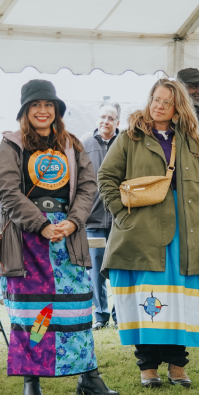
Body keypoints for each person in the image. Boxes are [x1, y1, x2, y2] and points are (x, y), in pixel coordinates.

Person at [0, 79, 119, 395]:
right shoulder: (12, 145)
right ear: (25, 110)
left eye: (48, 105)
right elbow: (5, 190)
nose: (42, 110)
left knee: (77, 307)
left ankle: (88, 377)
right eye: (35, 105)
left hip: (67, 238)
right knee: (32, 310)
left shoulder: (71, 144)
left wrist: (74, 221)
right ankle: (32, 380)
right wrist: (40, 224)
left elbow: (88, 187)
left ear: (56, 110)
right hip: (27, 240)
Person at [99, 79, 199, 388]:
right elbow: (106, 177)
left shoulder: (194, 141)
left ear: (177, 107)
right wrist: (121, 213)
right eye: (155, 99)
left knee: (178, 300)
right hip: (142, 231)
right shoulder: (130, 137)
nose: (158, 105)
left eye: (165, 102)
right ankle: (148, 367)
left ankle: (178, 366)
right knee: (147, 299)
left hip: (185, 233)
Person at [82, 102, 120, 329]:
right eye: (102, 117)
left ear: (117, 122)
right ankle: (101, 314)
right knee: (95, 271)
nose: (105, 121)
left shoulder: (125, 142)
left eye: (111, 118)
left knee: (119, 267)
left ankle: (120, 314)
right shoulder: (84, 143)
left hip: (119, 218)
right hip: (93, 217)